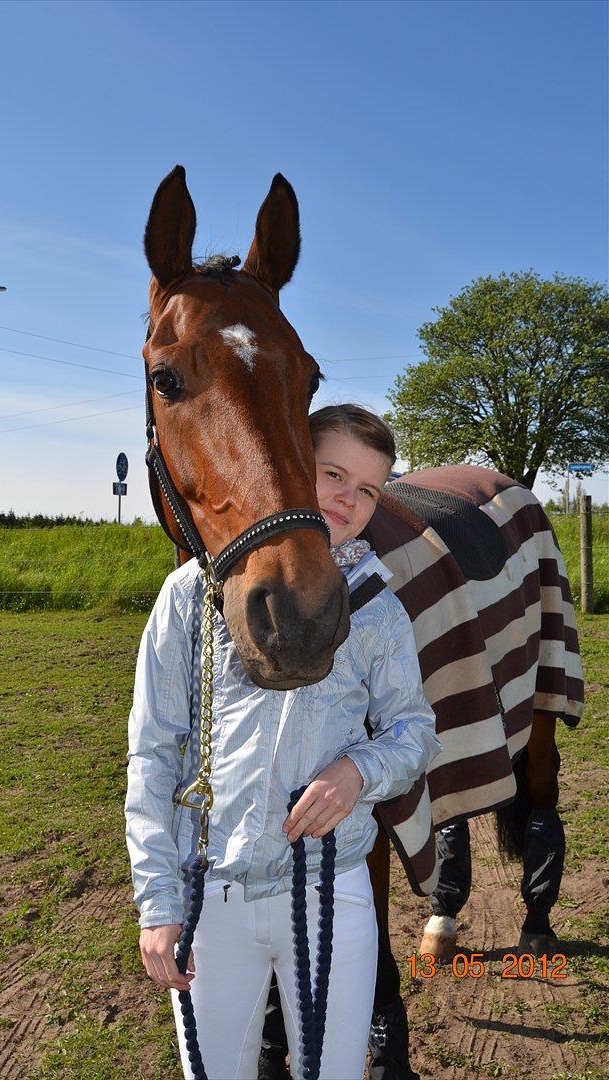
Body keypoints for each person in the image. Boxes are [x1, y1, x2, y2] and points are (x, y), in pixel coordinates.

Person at [125, 404, 442, 1080]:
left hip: (332, 893)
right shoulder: (188, 595)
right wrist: (157, 906)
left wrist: (358, 770)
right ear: (292, 468)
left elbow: (414, 731)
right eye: (332, 474)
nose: (347, 501)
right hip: (211, 898)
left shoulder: (376, 608)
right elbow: (152, 755)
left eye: (367, 490)